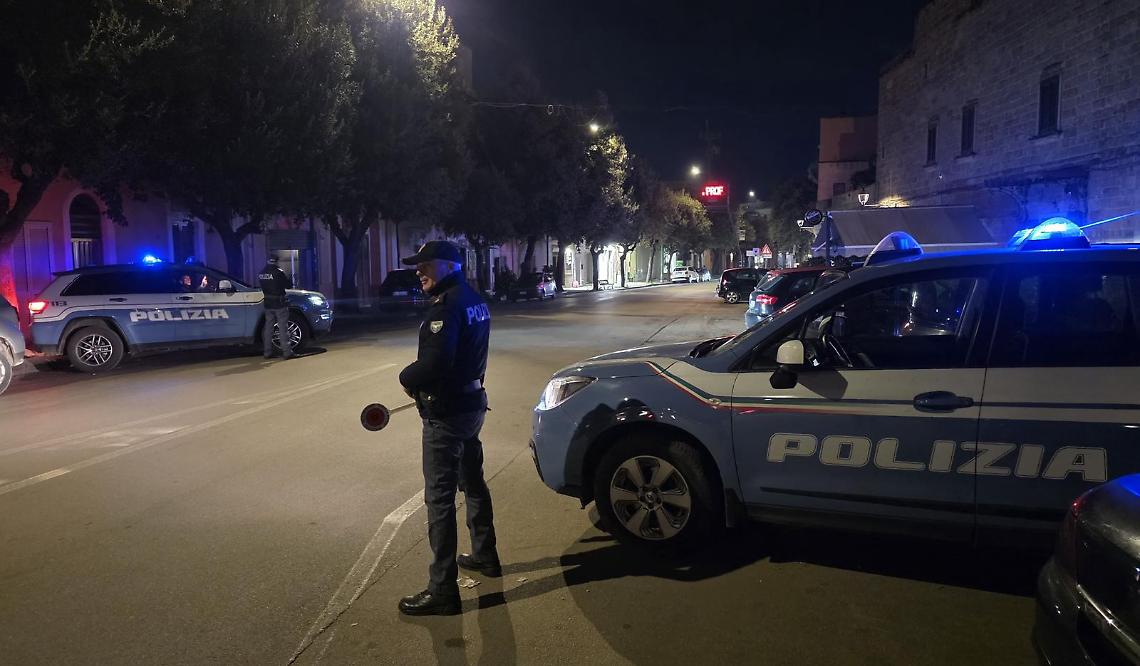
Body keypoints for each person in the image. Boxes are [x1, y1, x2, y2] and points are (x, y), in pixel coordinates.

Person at [397, 240, 498, 617]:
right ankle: (486, 555)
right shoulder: (473, 298)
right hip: (473, 404)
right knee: (473, 483)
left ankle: (442, 589)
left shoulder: (447, 307)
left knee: (439, 499)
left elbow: (436, 363)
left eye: (425, 265)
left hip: (447, 413)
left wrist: (405, 376)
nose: (418, 271)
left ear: (447, 266)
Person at [257, 256, 294, 359]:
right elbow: (288, 285)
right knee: (283, 328)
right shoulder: (278, 272)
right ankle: (287, 352)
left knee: (268, 328)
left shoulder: (261, 273)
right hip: (279, 303)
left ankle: (267, 352)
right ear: (276, 261)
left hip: (268, 303)